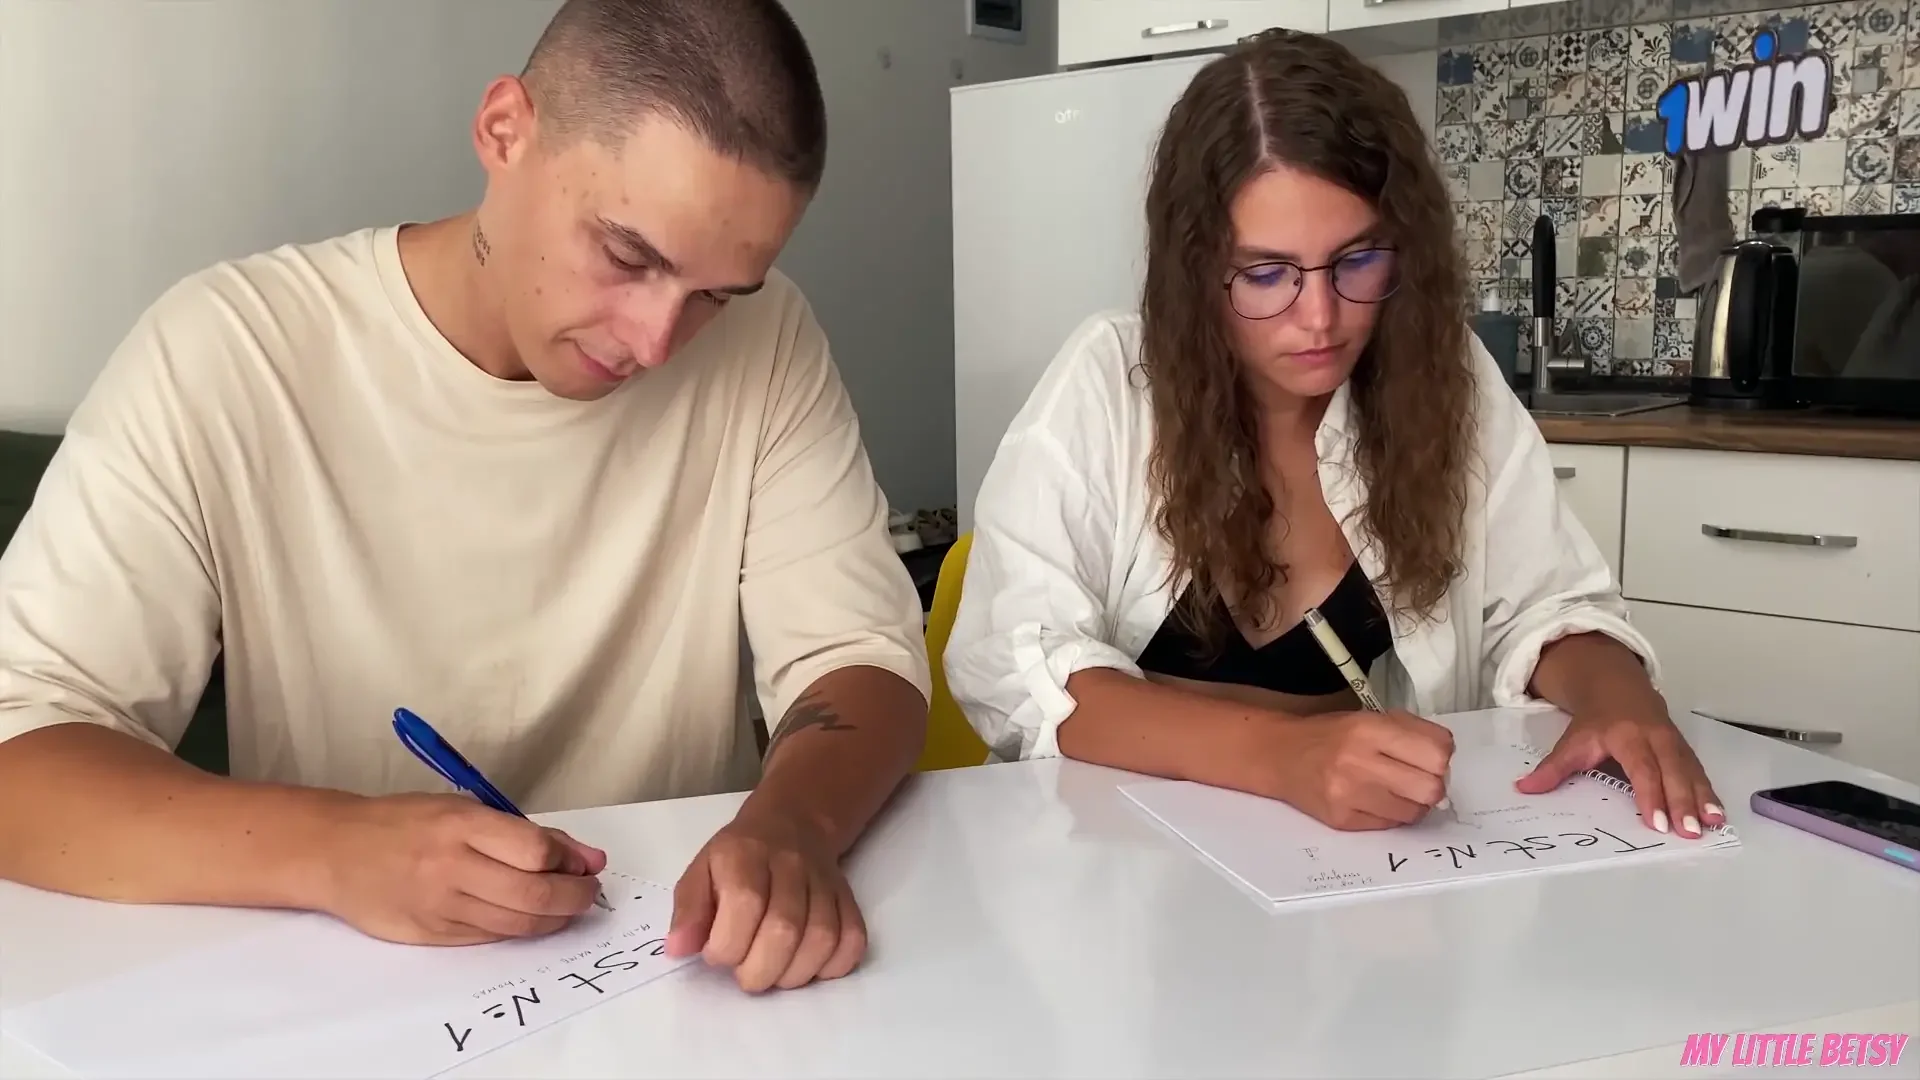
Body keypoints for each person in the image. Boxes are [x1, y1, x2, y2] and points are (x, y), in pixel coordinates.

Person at [0, 0, 930, 995]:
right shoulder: (229, 353)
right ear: (504, 131)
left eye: (713, 294)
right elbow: (23, 743)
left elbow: (857, 655)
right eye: (628, 256)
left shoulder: (766, 341)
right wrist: (332, 849)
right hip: (347, 993)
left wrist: (792, 822)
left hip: (671, 978)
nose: (657, 342)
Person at [944, 30, 1725, 841]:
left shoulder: (1445, 377)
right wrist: (1282, 757)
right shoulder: (1112, 380)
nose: (1319, 318)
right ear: (1196, 271)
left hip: (1357, 868)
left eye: (1357, 260)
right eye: (1265, 273)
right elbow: (1018, 663)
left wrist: (1618, 698)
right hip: (1120, 860)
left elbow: (1545, 605)